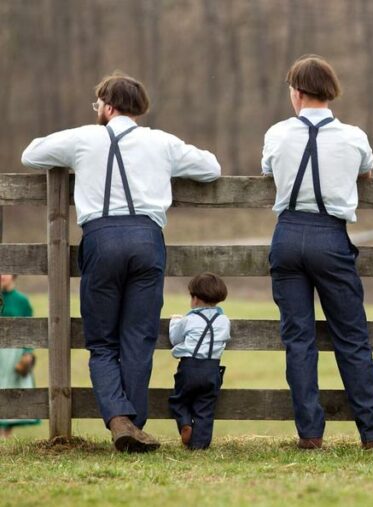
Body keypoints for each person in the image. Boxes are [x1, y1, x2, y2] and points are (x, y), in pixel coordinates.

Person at [21, 72, 221, 452]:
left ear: (108, 106)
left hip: (101, 238)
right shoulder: (160, 142)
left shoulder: (83, 137)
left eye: (98, 104)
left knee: (102, 342)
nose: (96, 110)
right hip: (147, 241)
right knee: (138, 338)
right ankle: (133, 423)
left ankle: (118, 419)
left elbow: (31, 153)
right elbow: (210, 167)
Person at [262, 54, 373, 450]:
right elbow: (365, 171)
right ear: (329, 92)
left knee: (298, 339)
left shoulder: (277, 133)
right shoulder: (354, 136)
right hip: (330, 236)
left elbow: (269, 171)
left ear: (297, 93)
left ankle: (310, 433)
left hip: (288, 234)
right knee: (351, 336)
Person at [168, 273, 230, 450]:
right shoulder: (224, 321)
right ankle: (200, 445)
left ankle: (185, 423)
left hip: (189, 367)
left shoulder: (188, 320)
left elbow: (175, 337)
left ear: (194, 299)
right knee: (206, 407)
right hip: (212, 369)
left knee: (179, 400)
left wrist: (175, 321)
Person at [0, 274, 40, 437]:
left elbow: (29, 329)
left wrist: (27, 354)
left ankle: (5, 436)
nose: (2, 276)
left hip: (13, 354)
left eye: (6, 272)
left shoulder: (22, 301)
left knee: (11, 390)